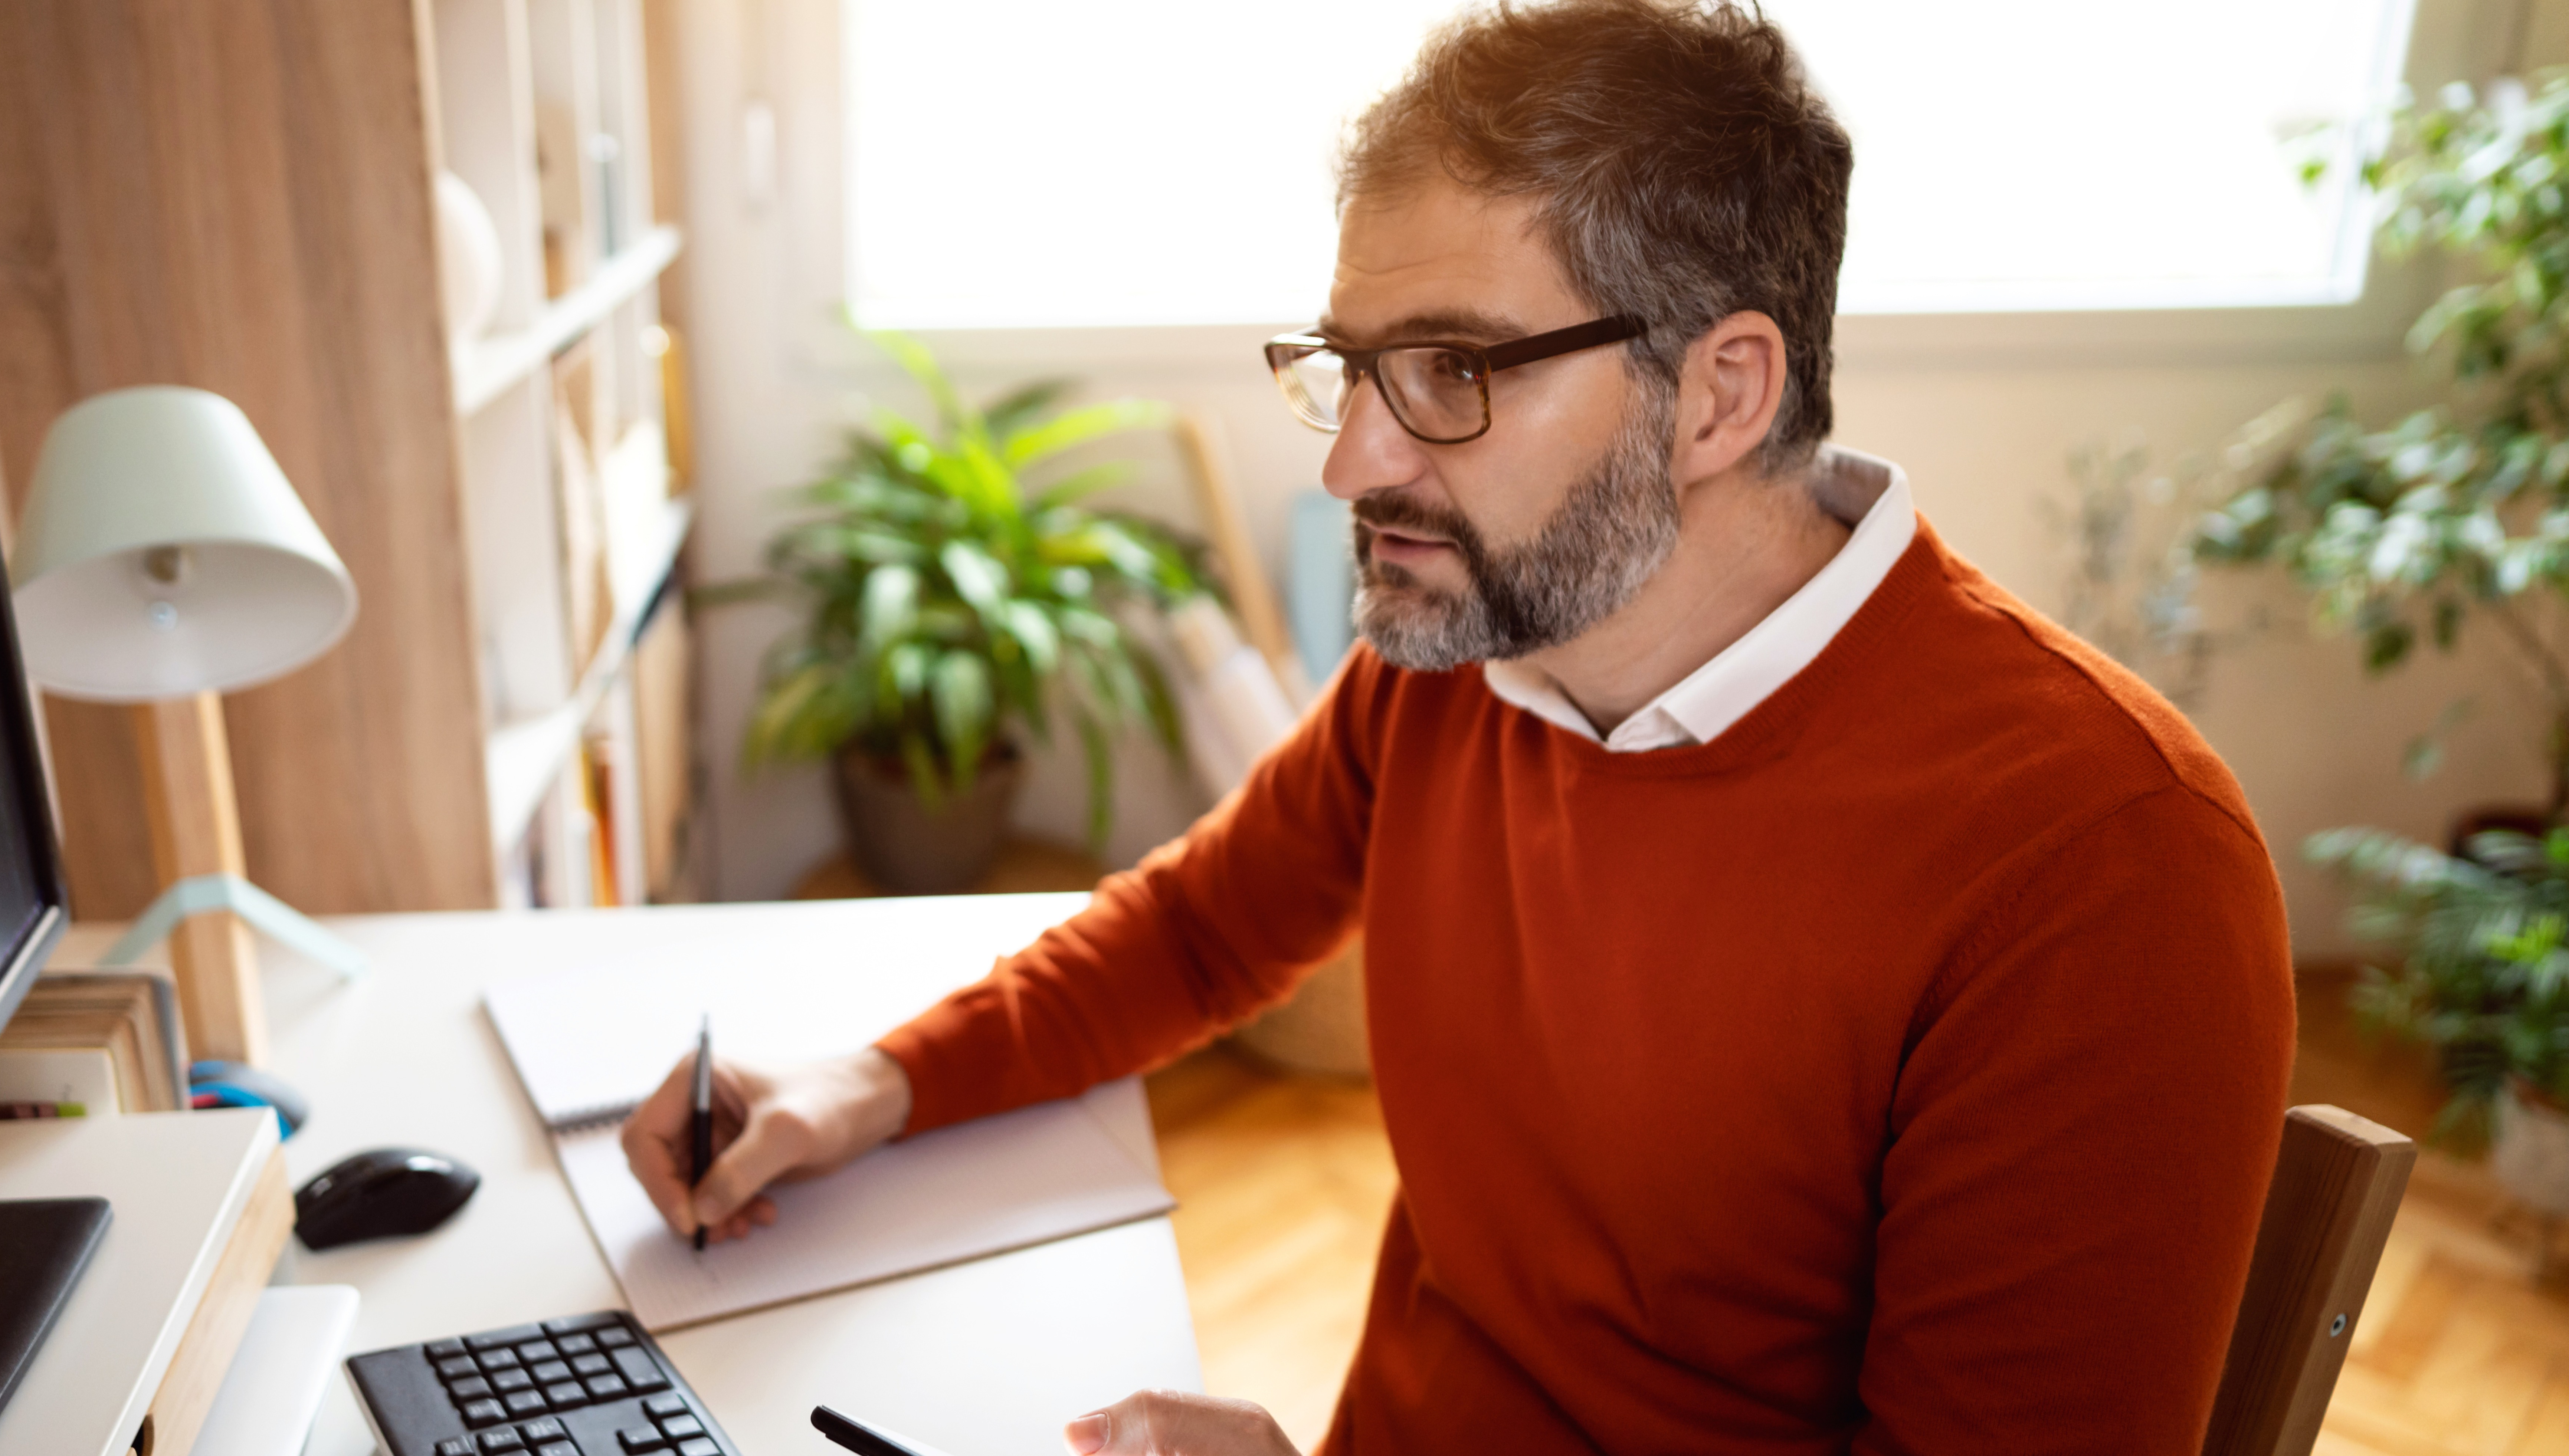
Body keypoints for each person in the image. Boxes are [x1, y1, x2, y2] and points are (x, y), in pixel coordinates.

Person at [623, 1, 2295, 1451]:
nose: (1349, 461)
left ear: (1720, 394)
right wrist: (868, 1084)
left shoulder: (2100, 869)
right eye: (1350, 366)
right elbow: (1201, 929)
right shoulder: (1460, 657)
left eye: (1452, 373)